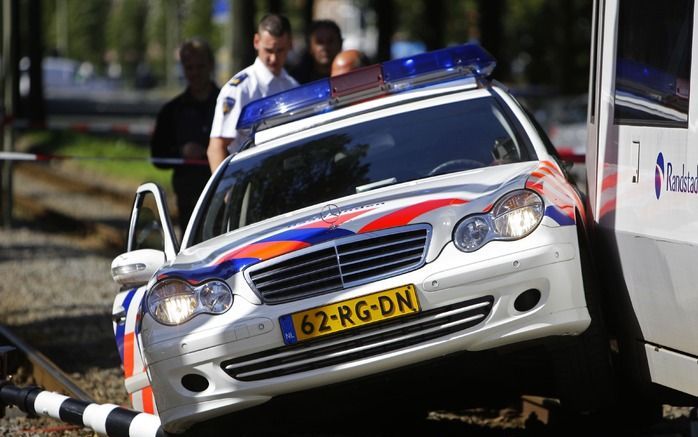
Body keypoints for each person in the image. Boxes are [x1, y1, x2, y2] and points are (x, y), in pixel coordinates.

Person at [207, 14, 298, 172]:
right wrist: (227, 194)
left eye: (280, 50)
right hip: (250, 176)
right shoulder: (239, 89)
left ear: (290, 44)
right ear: (257, 42)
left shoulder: (292, 86)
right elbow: (216, 147)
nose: (273, 58)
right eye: (268, 50)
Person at [150, 38, 218, 231]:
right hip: (189, 200)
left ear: (211, 66)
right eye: (189, 68)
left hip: (223, 195)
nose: (195, 73)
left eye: (200, 66)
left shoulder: (227, 105)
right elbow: (157, 156)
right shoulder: (172, 111)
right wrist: (181, 153)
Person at [288, 19, 343, 84]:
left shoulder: (350, 75)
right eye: (319, 42)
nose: (325, 47)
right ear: (309, 47)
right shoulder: (294, 81)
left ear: (340, 44)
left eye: (330, 41)